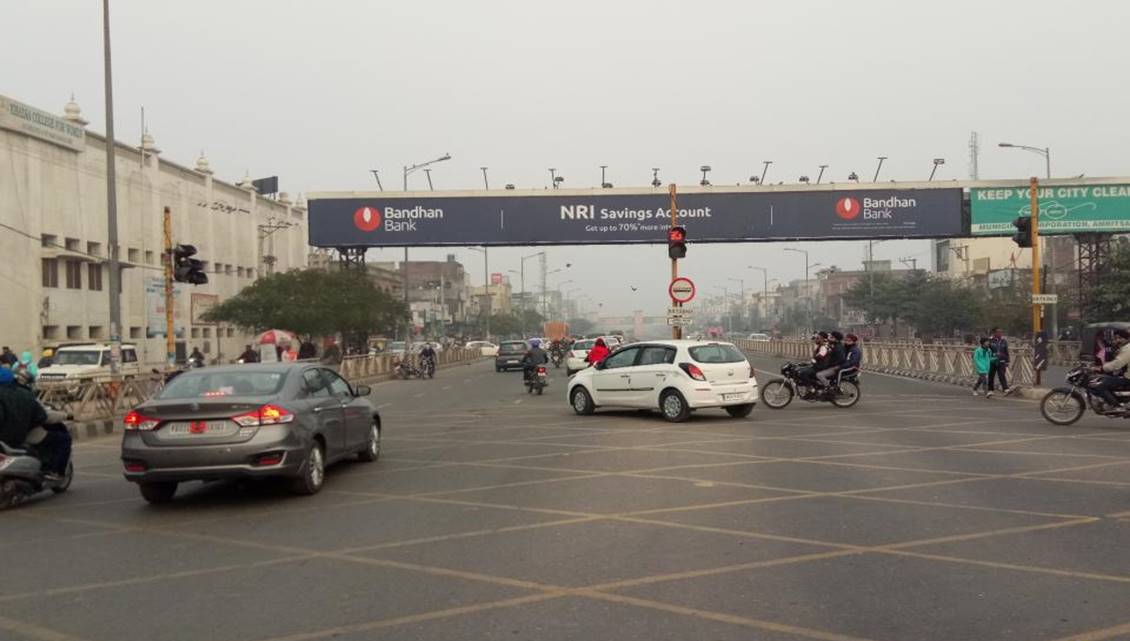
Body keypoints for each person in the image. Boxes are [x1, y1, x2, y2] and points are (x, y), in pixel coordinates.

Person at [0, 367, 70, 479]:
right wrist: (66, 415)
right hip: (21, 436)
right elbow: (42, 416)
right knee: (64, 439)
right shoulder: (25, 395)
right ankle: (55, 472)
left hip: (3, 440)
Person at [1093, 329, 1130, 410]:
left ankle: (1115, 406)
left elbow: (1117, 363)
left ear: (1126, 338)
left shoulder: (1127, 349)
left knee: (1101, 386)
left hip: (1127, 378)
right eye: (1116, 338)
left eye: (1120, 338)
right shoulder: (1122, 348)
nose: (1117, 340)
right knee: (1105, 379)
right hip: (1124, 374)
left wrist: (1102, 368)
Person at [987, 327, 1011, 397]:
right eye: (998, 332)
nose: (1000, 333)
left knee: (1002, 375)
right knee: (991, 375)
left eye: (1001, 332)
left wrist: (1007, 361)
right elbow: (986, 350)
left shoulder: (1004, 341)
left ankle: (1006, 389)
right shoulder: (990, 341)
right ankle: (990, 390)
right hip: (992, 361)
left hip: (1001, 361)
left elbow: (1006, 351)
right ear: (994, 333)